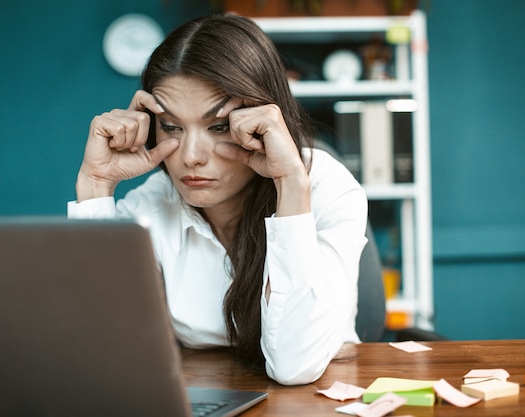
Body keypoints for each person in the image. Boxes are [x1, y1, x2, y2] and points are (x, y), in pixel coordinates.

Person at [68, 14, 367, 386]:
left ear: (262, 119)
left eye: (219, 126)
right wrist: (96, 186)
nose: (191, 156)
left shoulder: (324, 186)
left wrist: (290, 184)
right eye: (172, 127)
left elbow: (295, 366)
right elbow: (103, 352)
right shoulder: (152, 205)